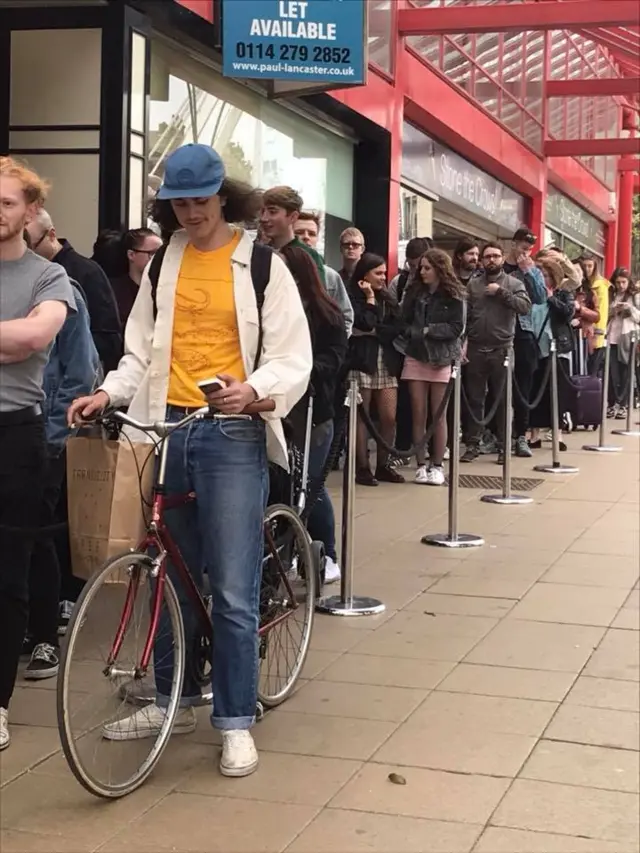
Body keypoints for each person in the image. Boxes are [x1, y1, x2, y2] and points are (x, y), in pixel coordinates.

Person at [68, 143, 312, 778]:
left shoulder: (262, 264)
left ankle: (234, 720)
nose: (190, 211)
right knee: (169, 576)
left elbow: (292, 353)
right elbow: (140, 351)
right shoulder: (165, 261)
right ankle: (175, 697)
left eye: (200, 199)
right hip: (170, 427)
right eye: (179, 201)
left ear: (224, 197)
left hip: (231, 430)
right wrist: (108, 392)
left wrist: (254, 390)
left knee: (231, 588)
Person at [0, 156, 76, 751]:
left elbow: (34, 338)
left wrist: (20, 337)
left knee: (9, 573)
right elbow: (15, 339)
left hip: (15, 437)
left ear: (30, 211)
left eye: (7, 203)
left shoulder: (49, 280)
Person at [24, 275, 101, 680]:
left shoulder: (58, 286)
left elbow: (81, 369)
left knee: (36, 537)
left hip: (40, 432)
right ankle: (26, 627)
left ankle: (44, 637)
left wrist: (53, 435)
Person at [280, 245, 348, 584]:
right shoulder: (274, 311)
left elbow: (333, 360)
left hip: (312, 408)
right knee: (283, 483)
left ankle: (329, 554)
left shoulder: (327, 314)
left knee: (310, 484)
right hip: (278, 409)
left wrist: (303, 372)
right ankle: (287, 549)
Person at [395, 249, 465, 485]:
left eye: (427, 267)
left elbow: (457, 328)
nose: (422, 271)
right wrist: (415, 334)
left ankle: (437, 464)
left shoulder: (454, 295)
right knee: (418, 413)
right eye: (421, 267)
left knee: (439, 415)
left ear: (439, 268)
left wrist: (428, 330)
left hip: (442, 358)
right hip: (416, 354)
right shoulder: (414, 292)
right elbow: (402, 320)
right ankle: (421, 464)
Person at [26, 209, 122, 372]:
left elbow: (108, 337)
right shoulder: (25, 271)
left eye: (32, 246)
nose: (27, 253)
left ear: (51, 235)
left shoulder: (86, 272)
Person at [461, 242, 531, 464]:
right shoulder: (472, 286)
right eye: (487, 256)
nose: (491, 260)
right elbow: (465, 316)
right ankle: (472, 444)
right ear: (482, 260)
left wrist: (501, 293)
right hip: (475, 348)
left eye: (496, 256)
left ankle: (504, 446)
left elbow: (525, 306)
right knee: (474, 399)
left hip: (502, 349)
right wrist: (463, 342)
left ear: (502, 259)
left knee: (502, 399)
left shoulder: (514, 283)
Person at [346, 253, 405, 486]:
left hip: (386, 362)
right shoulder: (354, 296)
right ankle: (362, 467)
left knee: (389, 417)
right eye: (378, 273)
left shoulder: (389, 298)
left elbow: (398, 327)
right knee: (362, 417)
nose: (383, 277)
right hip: (362, 361)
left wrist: (374, 331)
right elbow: (363, 323)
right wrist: (370, 297)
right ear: (365, 275)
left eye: (384, 272)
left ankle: (383, 464)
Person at [503, 228, 547, 458]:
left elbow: (541, 298)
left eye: (529, 249)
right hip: (499, 332)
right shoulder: (498, 267)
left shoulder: (532, 270)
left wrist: (528, 270)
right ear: (513, 244)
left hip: (524, 332)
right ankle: (496, 435)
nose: (526, 252)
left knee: (524, 386)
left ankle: (521, 435)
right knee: (498, 387)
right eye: (523, 247)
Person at [528, 257, 575, 448]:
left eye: (546, 275)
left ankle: (558, 434)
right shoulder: (532, 294)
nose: (543, 279)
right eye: (540, 275)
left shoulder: (563, 293)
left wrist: (551, 298)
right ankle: (534, 434)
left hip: (557, 348)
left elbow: (567, 313)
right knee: (535, 390)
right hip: (537, 347)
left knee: (557, 393)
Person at [294, 210, 354, 335]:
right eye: (299, 232)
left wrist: (333, 349)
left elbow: (346, 317)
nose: (306, 237)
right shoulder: (276, 269)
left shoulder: (330, 276)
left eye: (312, 234)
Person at [259, 186, 326, 283]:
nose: (264, 218)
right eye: (262, 212)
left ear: (293, 217)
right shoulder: (256, 252)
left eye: (272, 212)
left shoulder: (309, 256)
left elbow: (315, 296)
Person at [109, 227, 164, 327]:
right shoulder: (113, 292)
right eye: (152, 253)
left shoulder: (164, 289)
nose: (159, 259)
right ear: (131, 255)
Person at [607, 267, 640, 420]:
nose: (621, 285)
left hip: (627, 336)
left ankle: (624, 404)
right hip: (613, 336)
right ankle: (613, 403)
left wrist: (629, 309)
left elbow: (638, 317)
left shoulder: (634, 296)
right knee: (613, 373)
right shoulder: (612, 294)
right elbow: (605, 313)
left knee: (626, 370)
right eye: (618, 282)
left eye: (623, 282)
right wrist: (614, 309)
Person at [578, 253, 609, 376]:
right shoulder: (580, 282)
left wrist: (599, 332)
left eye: (590, 266)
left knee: (591, 370)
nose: (587, 269)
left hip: (594, 332)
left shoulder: (601, 285)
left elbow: (602, 311)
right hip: (579, 331)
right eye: (585, 266)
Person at [389, 237, 433, 306]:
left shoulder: (435, 283)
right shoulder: (398, 282)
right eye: (412, 265)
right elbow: (392, 311)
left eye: (420, 266)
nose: (417, 270)